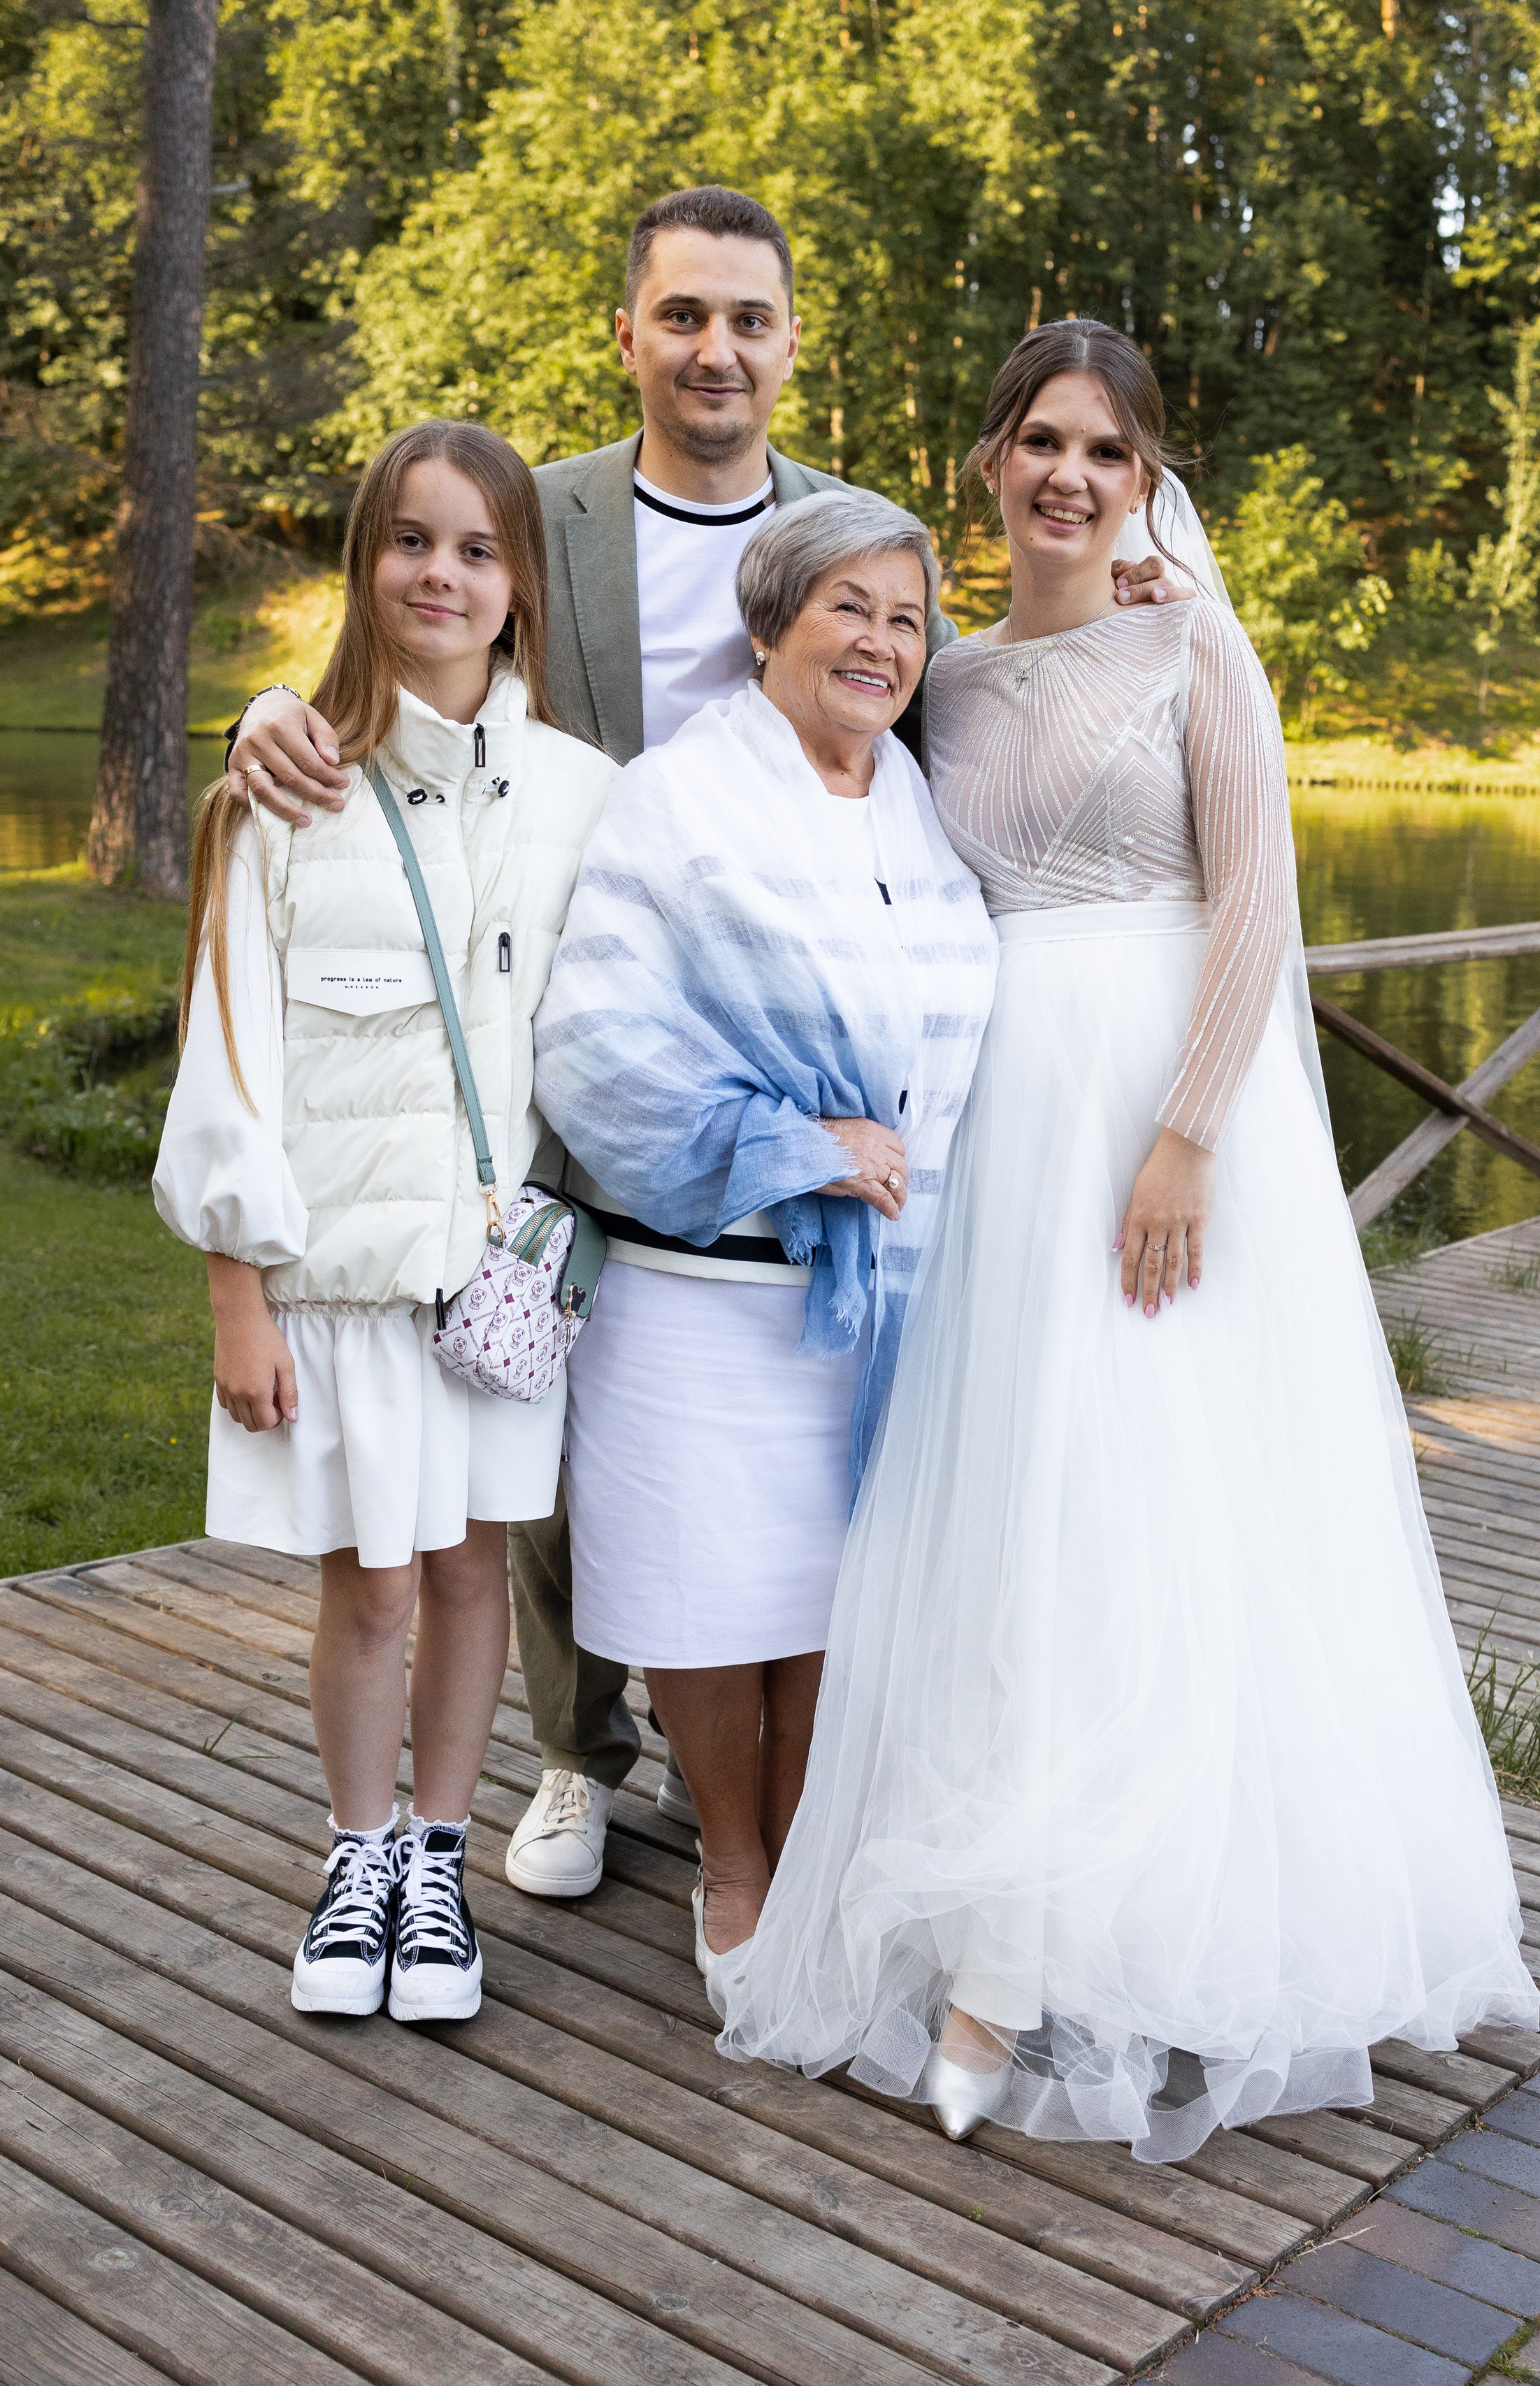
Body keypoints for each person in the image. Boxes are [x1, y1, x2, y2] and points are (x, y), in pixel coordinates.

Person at [219, 187, 1187, 1903]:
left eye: (748, 319)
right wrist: (278, 711)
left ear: (788, 343)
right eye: (682, 316)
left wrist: (1126, 586)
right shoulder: (548, 510)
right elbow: (420, 645)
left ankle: (767, 1787)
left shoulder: (854, 542)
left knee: (737, 1464)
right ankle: (577, 1753)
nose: (715, 349)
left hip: (802, 1034)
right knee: (556, 1416)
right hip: (565, 994)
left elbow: (942, 726)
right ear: (631, 334)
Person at [712, 321, 1539, 2159]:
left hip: (1164, 1129)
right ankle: (1006, 1915)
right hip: (1001, 1135)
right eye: (1037, 441)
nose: (1069, 474)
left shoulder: (1194, 646)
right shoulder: (942, 671)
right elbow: (772, 768)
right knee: (1015, 1512)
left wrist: (1185, 1132)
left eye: (1104, 447)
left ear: (1145, 475)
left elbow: (1258, 902)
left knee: (1169, 1513)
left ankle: (1115, 1933)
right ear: (990, 460)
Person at [154, 422, 614, 2022]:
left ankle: (438, 1859)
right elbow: (229, 1057)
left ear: (518, 587)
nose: (442, 573)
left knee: (475, 1565)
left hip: (489, 1284)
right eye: (411, 542)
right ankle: (355, 1855)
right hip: (340, 1281)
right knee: (369, 1580)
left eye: (477, 549)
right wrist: (236, 1292)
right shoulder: (281, 789)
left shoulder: (582, 797)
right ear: (365, 567)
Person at [531, 489, 998, 1970]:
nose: (878, 641)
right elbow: (593, 1048)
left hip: (873, 1300)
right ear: (769, 624)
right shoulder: (680, 796)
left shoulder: (912, 802)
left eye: (906, 617)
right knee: (703, 1593)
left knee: (823, 1603)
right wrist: (797, 1147)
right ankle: (729, 1861)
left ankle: (798, 1859)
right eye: (847, 606)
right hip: (703, 1285)